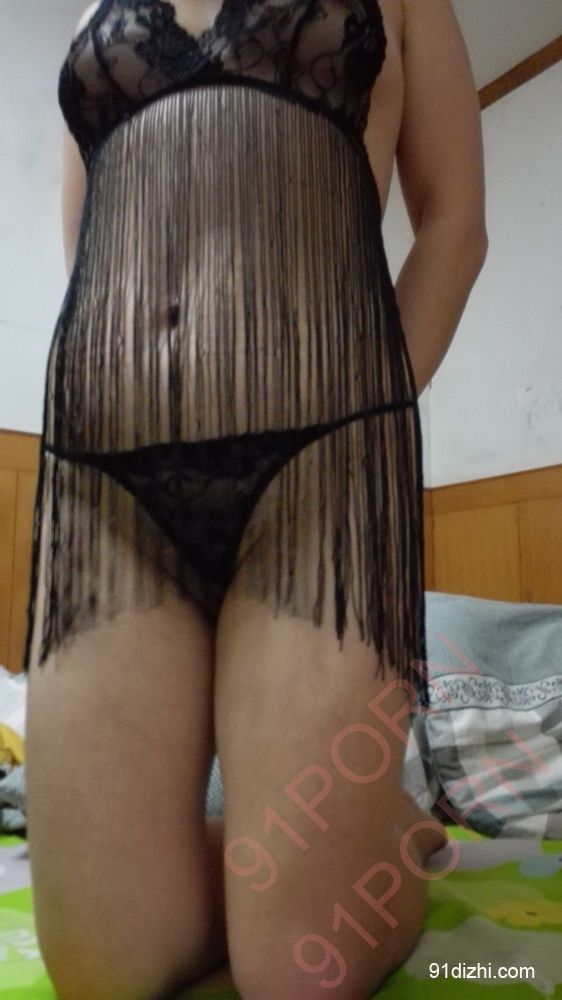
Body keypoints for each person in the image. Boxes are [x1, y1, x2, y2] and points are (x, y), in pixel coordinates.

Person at [23, 1, 487, 998]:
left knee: (297, 974)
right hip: (106, 488)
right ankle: (274, 854)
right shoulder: (93, 8)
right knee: (106, 970)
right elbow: (90, 251)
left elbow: (454, 224)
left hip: (318, 479)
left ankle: (393, 831)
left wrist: (360, 420)